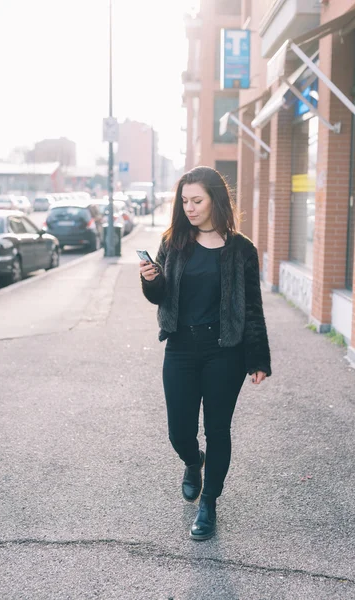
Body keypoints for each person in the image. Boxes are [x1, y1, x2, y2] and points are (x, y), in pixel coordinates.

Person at [139, 166, 271, 541]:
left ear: (216, 200)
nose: (190, 208)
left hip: (223, 351)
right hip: (181, 347)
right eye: (184, 201)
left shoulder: (241, 249)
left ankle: (209, 503)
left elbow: (252, 307)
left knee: (218, 429)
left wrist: (257, 358)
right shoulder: (174, 241)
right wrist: (152, 281)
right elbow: (161, 296)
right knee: (179, 431)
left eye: (197, 201)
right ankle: (191, 461)